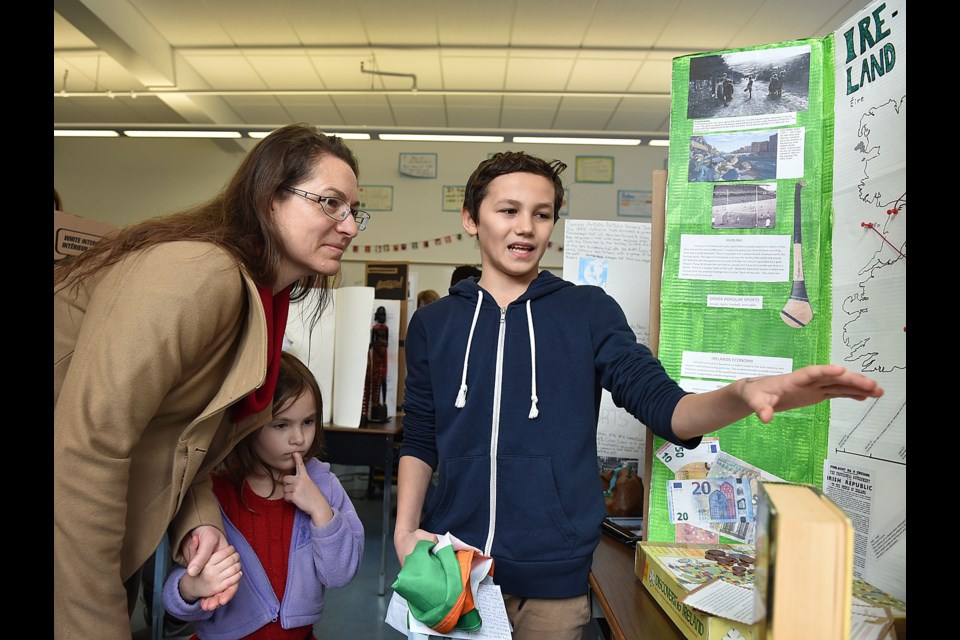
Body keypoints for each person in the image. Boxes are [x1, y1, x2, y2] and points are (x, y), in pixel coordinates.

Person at [394, 151, 882, 640]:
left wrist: (741, 393)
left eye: (542, 214)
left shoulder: (586, 312)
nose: (526, 228)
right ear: (470, 219)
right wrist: (404, 529)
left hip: (553, 589)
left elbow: (666, 408)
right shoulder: (435, 324)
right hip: (452, 570)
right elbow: (420, 436)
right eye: (508, 211)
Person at [54, 122, 371, 639]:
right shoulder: (198, 274)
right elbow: (88, 447)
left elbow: (187, 439)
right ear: (270, 199)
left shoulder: (261, 300)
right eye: (330, 203)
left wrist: (198, 521)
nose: (350, 226)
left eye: (355, 211)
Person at [161, 351, 365, 639]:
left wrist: (322, 512)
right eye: (281, 425)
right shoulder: (211, 494)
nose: (299, 438)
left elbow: (341, 574)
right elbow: (172, 600)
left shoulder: (325, 486)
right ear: (248, 424)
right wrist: (193, 588)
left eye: (308, 421)